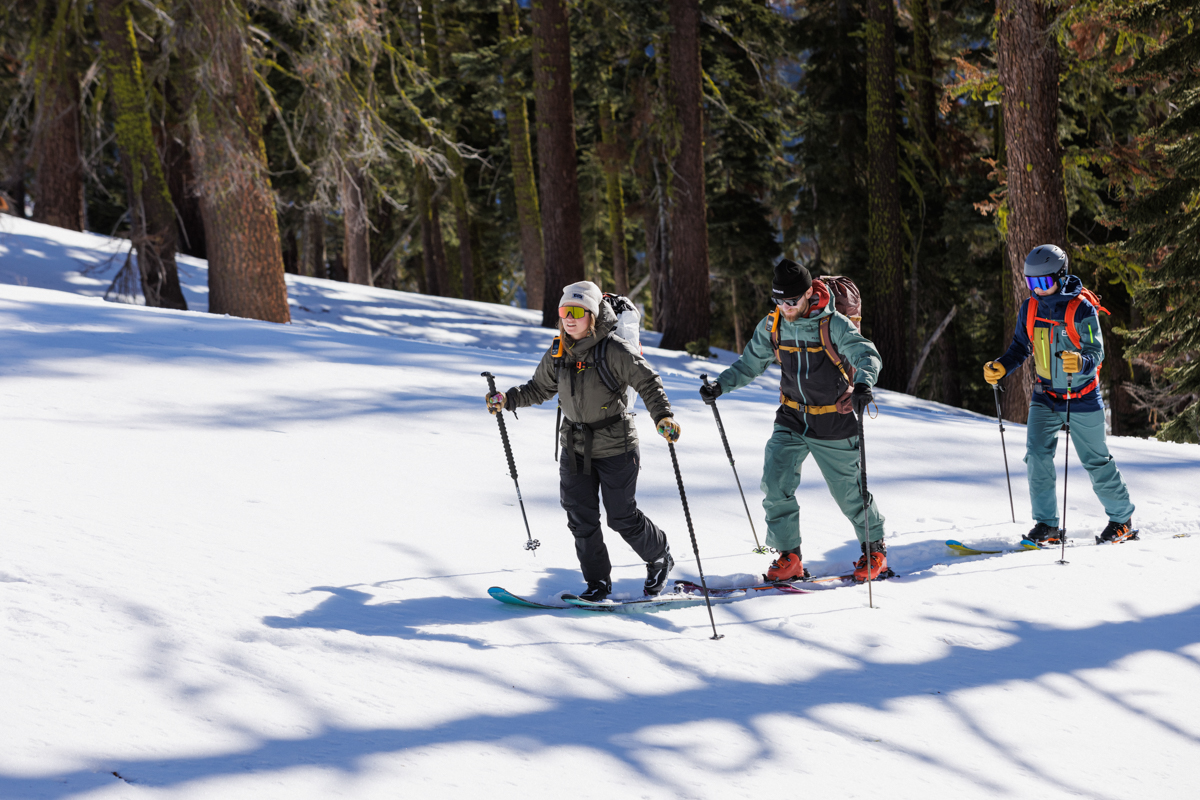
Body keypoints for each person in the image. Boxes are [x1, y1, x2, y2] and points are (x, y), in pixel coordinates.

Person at [485, 281, 681, 602]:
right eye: (564, 312)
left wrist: (663, 417)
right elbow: (538, 389)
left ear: (592, 314)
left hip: (617, 445)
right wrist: (506, 399)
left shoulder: (614, 349)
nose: (569, 319)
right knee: (580, 517)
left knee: (621, 516)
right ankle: (597, 583)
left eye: (576, 312)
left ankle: (659, 555)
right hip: (574, 447)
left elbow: (647, 381)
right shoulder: (558, 352)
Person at [698, 259, 888, 582]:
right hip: (792, 416)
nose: (785, 308)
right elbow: (749, 364)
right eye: (779, 301)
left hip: (833, 419)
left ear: (808, 294)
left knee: (849, 493)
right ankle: (790, 556)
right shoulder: (773, 325)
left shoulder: (832, 324)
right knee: (775, 481)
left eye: (791, 301)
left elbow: (866, 354)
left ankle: (875, 549)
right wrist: (720, 385)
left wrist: (864, 384)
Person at [983, 244, 1136, 543]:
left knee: (1096, 460)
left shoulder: (1081, 309)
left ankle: (1122, 520)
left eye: (1044, 282)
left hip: (1082, 396)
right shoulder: (1029, 308)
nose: (1038, 290)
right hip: (1045, 395)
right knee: (1037, 455)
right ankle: (1048, 525)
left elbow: (1097, 352)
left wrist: (1081, 362)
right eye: (1031, 283)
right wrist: (1001, 366)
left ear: (1060, 276)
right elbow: (1020, 347)